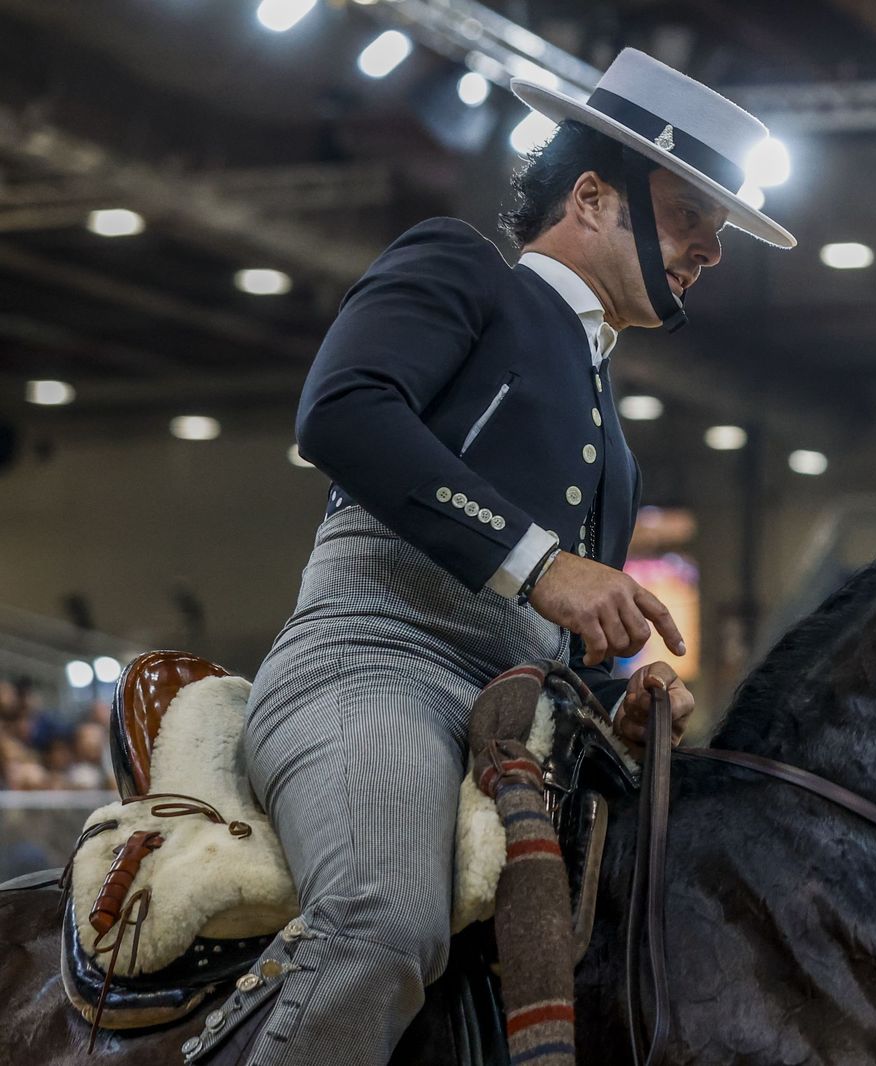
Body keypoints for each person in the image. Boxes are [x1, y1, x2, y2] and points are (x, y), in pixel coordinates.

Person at [226, 49, 796, 1066]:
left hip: (530, 724)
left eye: (713, 229)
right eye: (688, 216)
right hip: (374, 661)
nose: (711, 248)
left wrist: (623, 693)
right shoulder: (459, 266)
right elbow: (344, 410)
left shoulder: (613, 441)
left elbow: (569, 636)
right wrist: (541, 564)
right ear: (593, 195)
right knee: (379, 921)